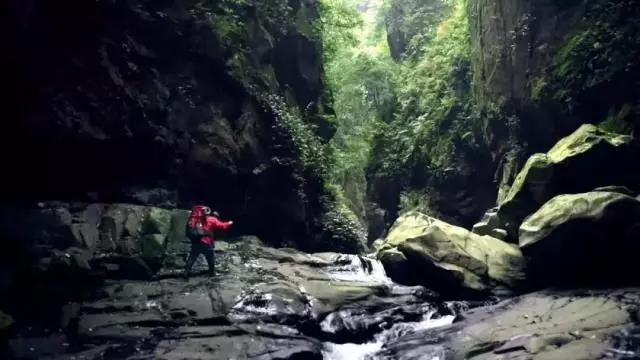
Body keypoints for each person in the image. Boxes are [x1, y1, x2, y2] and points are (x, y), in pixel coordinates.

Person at [185, 205, 233, 276]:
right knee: (210, 258)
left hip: (196, 242)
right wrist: (229, 223)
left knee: (192, 258)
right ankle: (212, 273)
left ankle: (186, 273)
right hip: (206, 243)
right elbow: (221, 226)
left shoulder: (194, 220)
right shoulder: (211, 219)